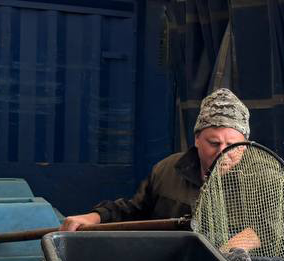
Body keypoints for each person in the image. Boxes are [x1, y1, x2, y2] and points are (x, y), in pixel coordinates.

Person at [59, 88, 249, 228]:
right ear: (197, 139)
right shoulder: (167, 170)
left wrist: (223, 253)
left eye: (232, 146)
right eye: (214, 143)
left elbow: (269, 233)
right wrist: (93, 218)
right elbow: (135, 211)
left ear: (245, 147)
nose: (222, 152)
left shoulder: (265, 180)